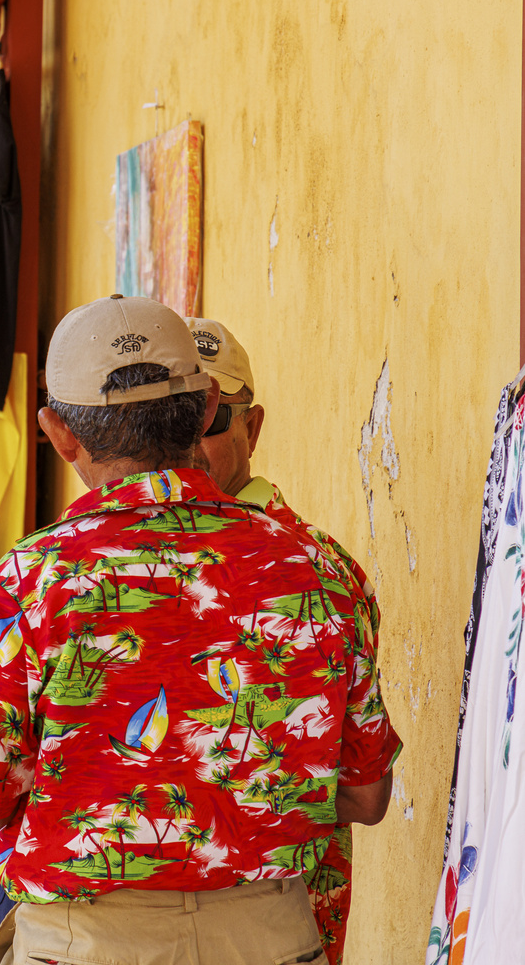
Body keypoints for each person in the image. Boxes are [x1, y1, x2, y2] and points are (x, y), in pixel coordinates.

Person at [0, 295, 401, 965]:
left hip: (86, 944)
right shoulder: (316, 567)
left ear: (58, 434)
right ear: (204, 408)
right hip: (270, 938)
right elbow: (365, 794)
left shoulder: (30, 581)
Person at [187, 316, 382, 965]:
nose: (186, 444)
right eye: (169, 419)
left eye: (210, 420)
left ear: (252, 426)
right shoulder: (116, 569)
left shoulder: (318, 575)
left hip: (283, 926)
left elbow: (363, 790)